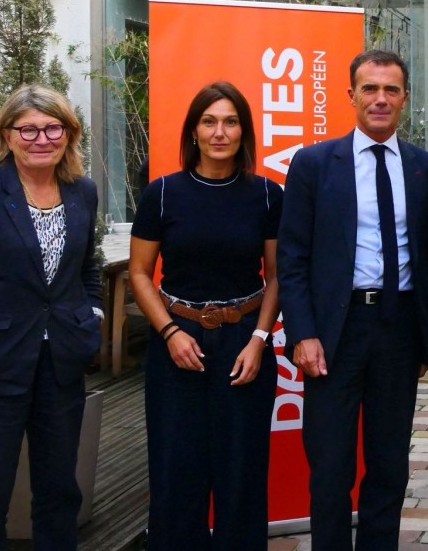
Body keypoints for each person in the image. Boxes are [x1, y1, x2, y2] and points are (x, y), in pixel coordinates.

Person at [278, 50, 428, 550]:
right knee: (330, 467)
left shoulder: (423, 168)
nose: (380, 99)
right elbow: (292, 257)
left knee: (389, 466)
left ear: (405, 99)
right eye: (369, 88)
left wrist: (424, 339)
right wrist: (303, 333)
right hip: (334, 334)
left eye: (391, 89)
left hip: (396, 329)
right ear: (350, 95)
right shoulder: (312, 164)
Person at [129, 81, 282, 550]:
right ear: (194, 130)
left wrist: (259, 339)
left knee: (241, 473)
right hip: (176, 344)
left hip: (244, 345)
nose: (220, 131)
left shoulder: (269, 195)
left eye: (231, 121)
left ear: (244, 131)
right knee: (177, 472)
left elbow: (278, 277)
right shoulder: (161, 194)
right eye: (209, 121)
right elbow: (139, 273)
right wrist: (171, 331)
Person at [0, 84, 102, 549]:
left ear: (69, 133)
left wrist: (92, 316)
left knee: (60, 491)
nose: (42, 138)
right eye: (29, 129)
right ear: (8, 134)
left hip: (60, 364)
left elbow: (87, 267)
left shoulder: (83, 191)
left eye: (53, 127)